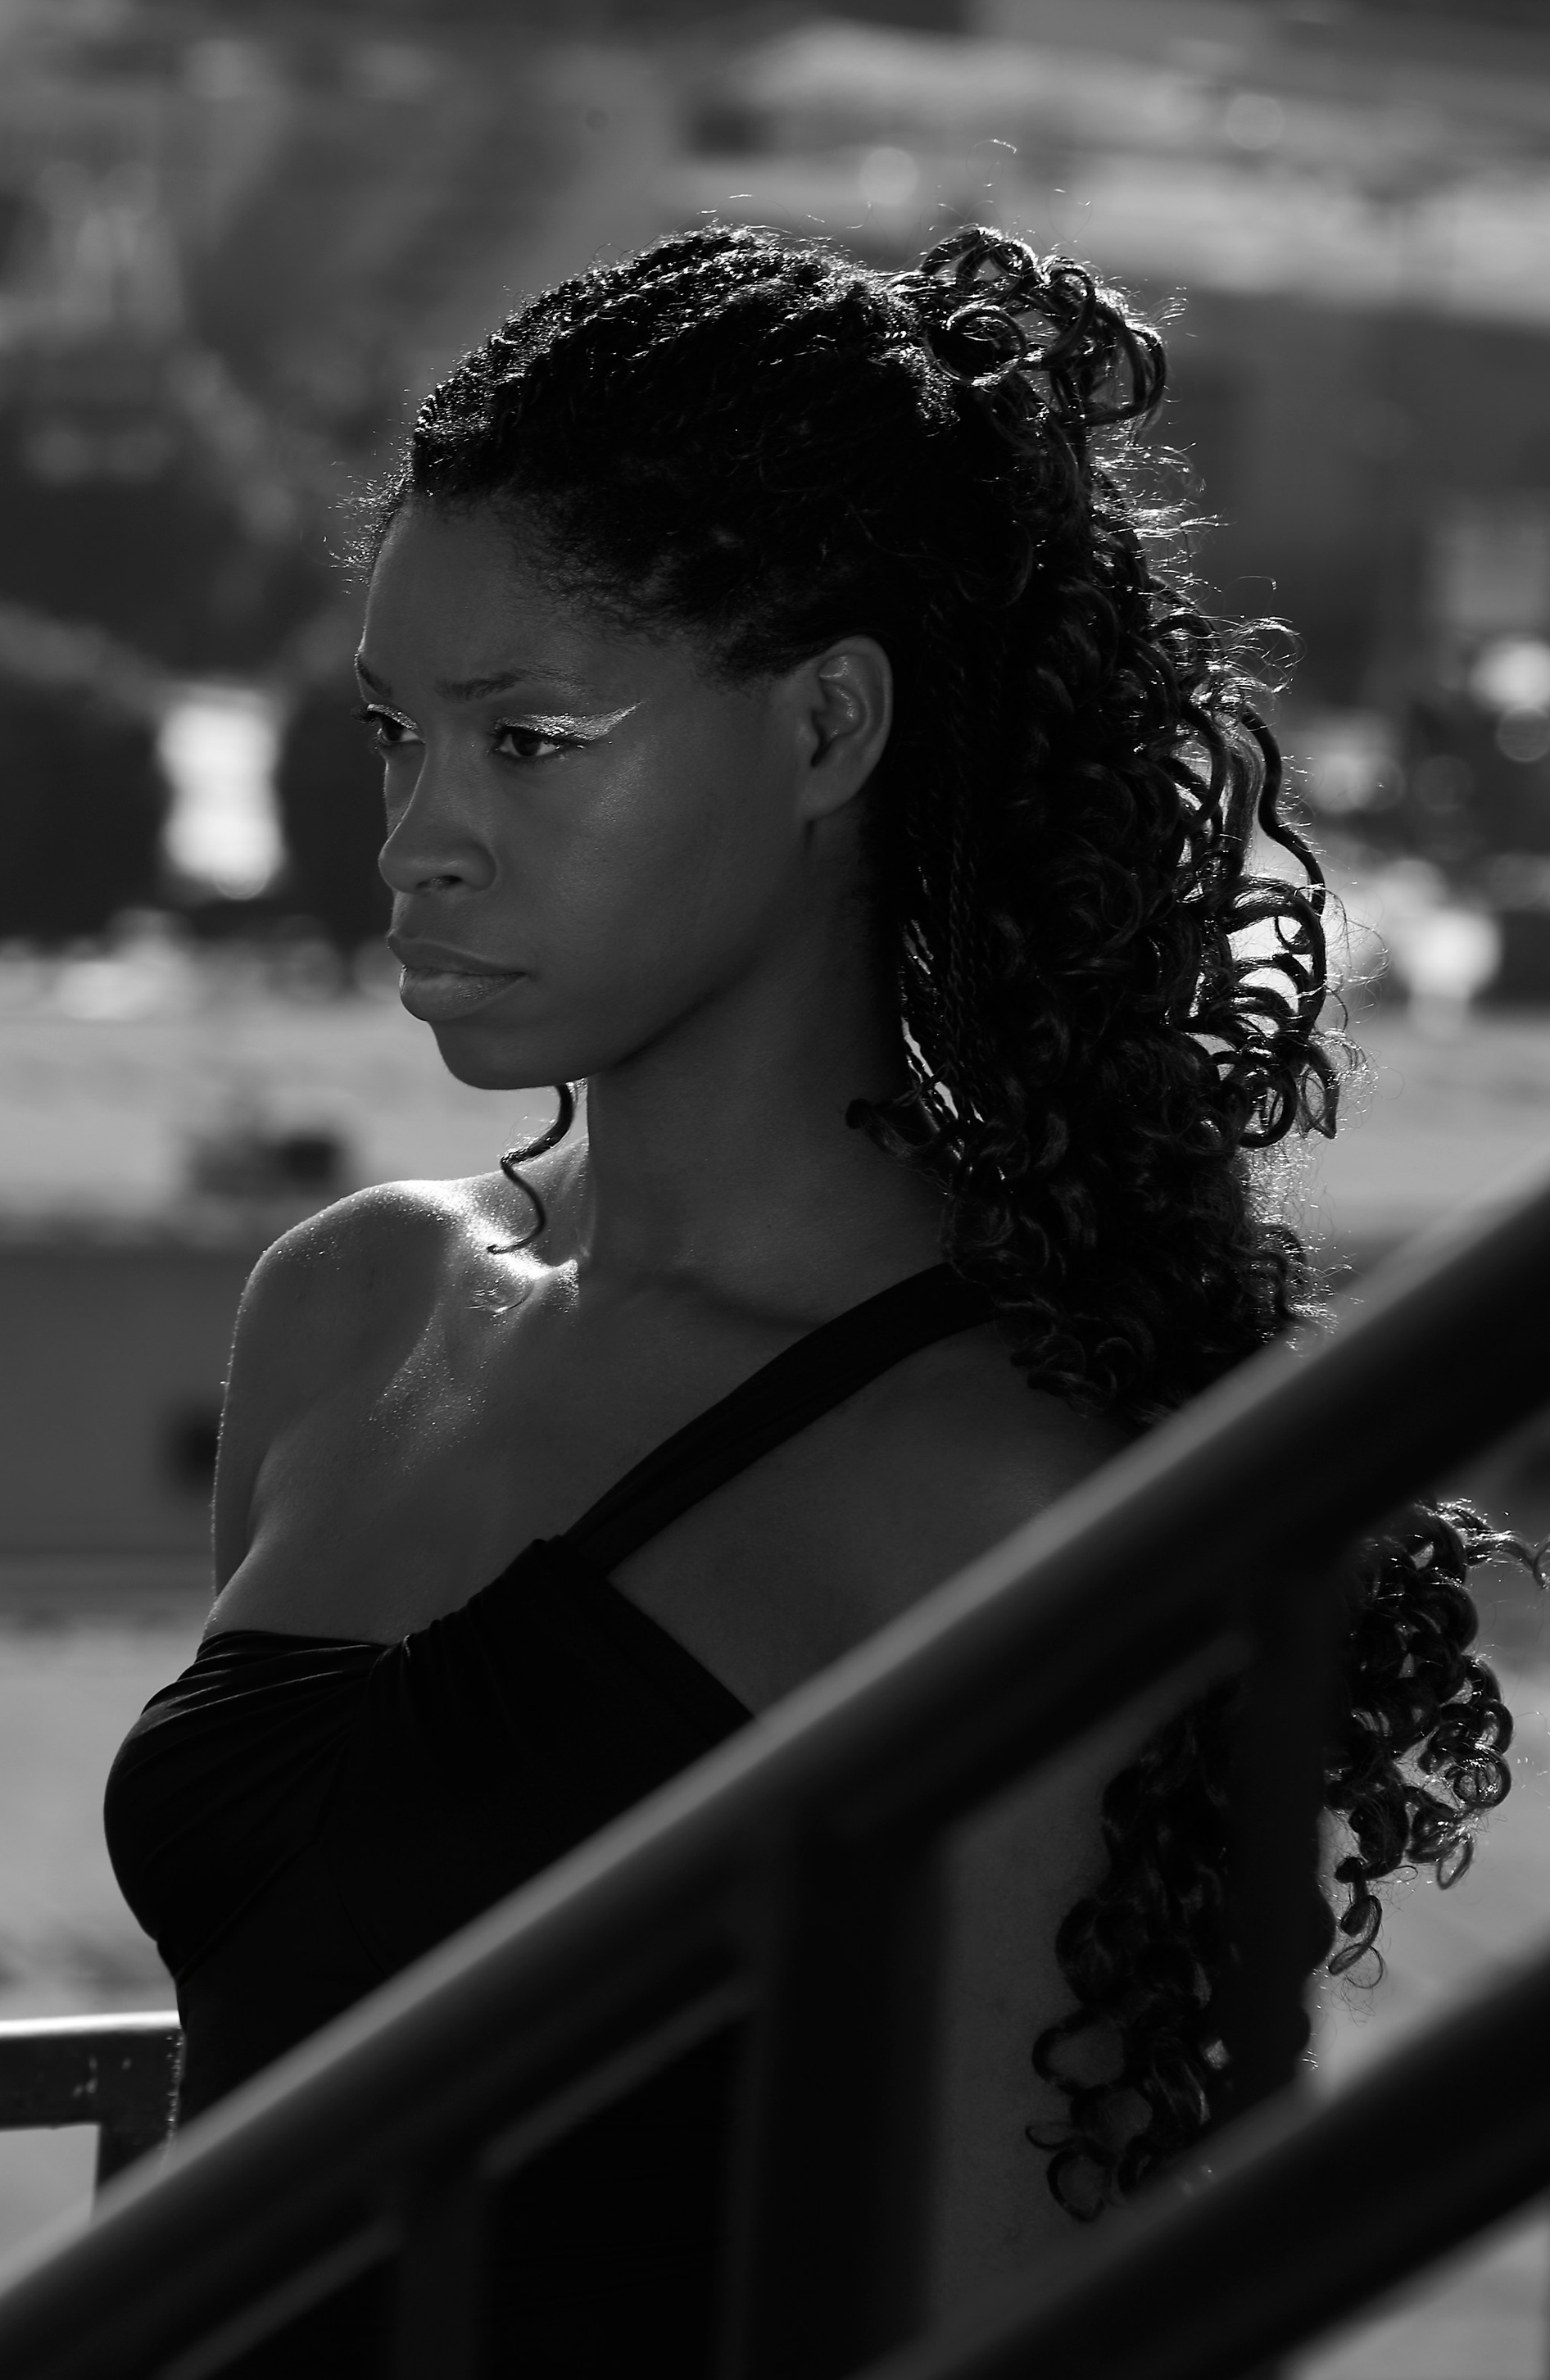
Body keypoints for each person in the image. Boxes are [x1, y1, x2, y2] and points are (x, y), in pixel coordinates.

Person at [106, 227, 1518, 2364]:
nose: (420, 836)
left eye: (534, 737)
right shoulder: (348, 1310)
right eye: (401, 730)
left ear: (829, 723)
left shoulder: (1008, 1507)